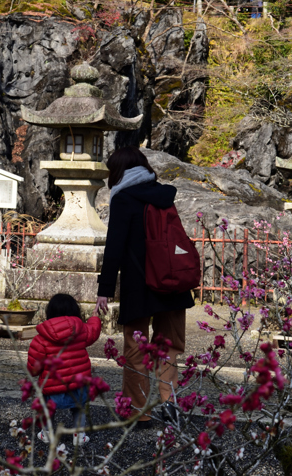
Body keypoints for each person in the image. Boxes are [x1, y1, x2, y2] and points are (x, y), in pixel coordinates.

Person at [96, 147, 193, 428]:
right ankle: (171, 406)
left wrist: (104, 289)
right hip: (173, 283)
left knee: (136, 351)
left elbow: (114, 247)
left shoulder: (124, 198)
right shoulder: (164, 196)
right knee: (170, 349)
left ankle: (138, 413)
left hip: (139, 286)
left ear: (118, 172)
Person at [27, 293, 102, 441]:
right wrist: (94, 317)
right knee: (79, 408)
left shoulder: (41, 338)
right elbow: (93, 331)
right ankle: (79, 435)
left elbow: (34, 368)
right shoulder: (81, 330)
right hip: (79, 385)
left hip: (53, 388)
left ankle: (47, 433)